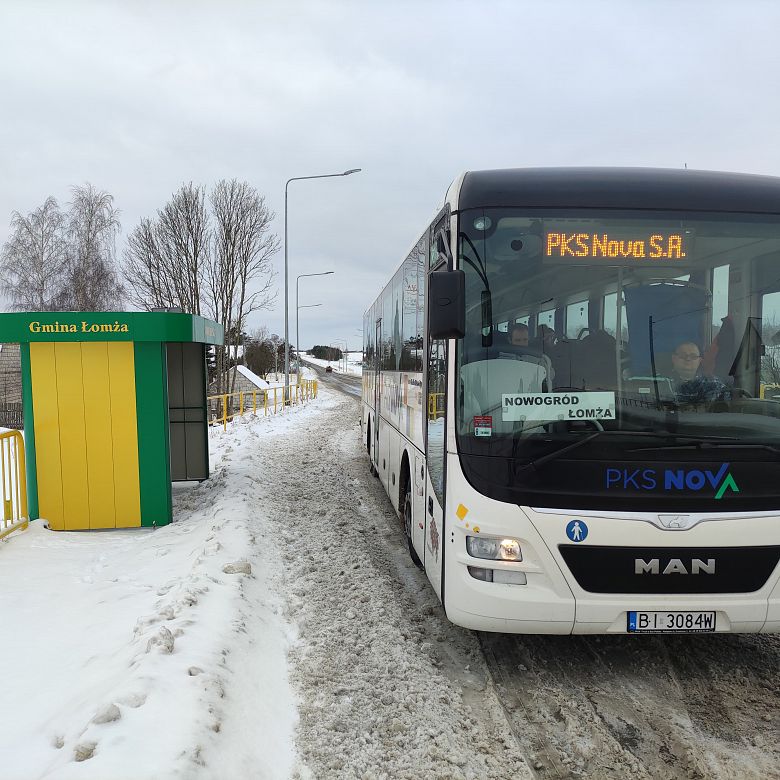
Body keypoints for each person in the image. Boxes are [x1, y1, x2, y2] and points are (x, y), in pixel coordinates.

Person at [670, 340, 730, 404]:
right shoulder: (660, 384)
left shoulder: (714, 385)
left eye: (693, 356)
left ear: (700, 360)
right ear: (673, 358)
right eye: (683, 356)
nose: (688, 359)